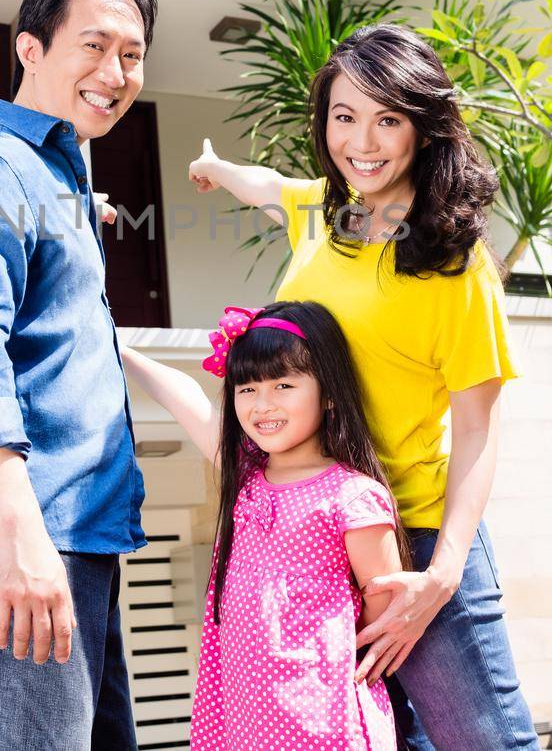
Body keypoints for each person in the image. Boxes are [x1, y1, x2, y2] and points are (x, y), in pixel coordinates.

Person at [187, 23, 539, 750]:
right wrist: (217, 169)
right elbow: (271, 189)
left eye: (388, 118)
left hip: (413, 538)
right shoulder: (328, 210)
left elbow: (478, 426)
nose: (364, 141)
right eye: (344, 117)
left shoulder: (455, 263)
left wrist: (439, 577)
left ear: (424, 127)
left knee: (486, 744)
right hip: (318, 538)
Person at [0, 0, 157, 750]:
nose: (114, 73)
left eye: (132, 53)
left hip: (79, 536)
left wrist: (81, 207)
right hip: (25, 533)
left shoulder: (53, 175)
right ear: (29, 48)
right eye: (93, 45)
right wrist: (21, 534)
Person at [122, 301, 408, 751]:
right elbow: (184, 395)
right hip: (244, 715)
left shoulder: (352, 495)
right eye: (247, 388)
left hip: (325, 716)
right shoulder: (245, 475)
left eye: (283, 384)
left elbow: (385, 607)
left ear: (329, 392)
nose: (263, 404)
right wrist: (119, 347)